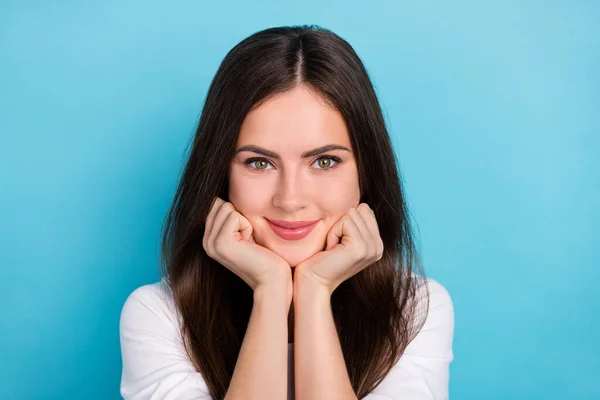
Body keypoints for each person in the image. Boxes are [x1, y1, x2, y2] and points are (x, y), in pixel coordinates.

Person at [119, 24, 454, 400]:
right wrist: (270, 292)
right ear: (220, 175)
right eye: (260, 163)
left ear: (365, 171)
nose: (290, 199)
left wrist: (314, 290)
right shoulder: (159, 316)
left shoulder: (414, 309)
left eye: (324, 161)